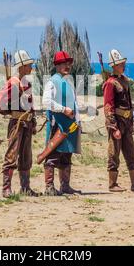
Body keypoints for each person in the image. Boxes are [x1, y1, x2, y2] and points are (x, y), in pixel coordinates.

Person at [0, 50, 40, 198]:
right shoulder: (13, 82)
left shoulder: (26, 83)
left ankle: (25, 187)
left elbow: (30, 104)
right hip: (16, 123)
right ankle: (6, 188)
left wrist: (32, 121)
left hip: (26, 123)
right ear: (21, 67)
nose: (31, 68)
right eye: (29, 65)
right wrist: (9, 111)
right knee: (12, 155)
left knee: (26, 156)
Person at [103, 49, 134, 192]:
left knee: (131, 153)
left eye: (123, 63)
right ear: (114, 65)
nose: (123, 65)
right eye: (121, 63)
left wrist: (132, 121)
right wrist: (114, 127)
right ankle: (112, 184)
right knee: (113, 153)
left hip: (127, 122)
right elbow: (108, 106)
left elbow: (128, 103)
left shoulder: (125, 81)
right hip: (116, 122)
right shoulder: (110, 83)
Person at [39, 51, 82, 196]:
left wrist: (78, 119)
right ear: (57, 65)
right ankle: (49, 187)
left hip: (70, 125)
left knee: (66, 155)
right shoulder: (52, 81)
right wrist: (63, 110)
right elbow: (46, 102)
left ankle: (65, 186)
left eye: (68, 63)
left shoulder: (68, 82)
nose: (67, 66)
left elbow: (74, 103)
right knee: (53, 154)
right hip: (57, 125)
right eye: (63, 63)